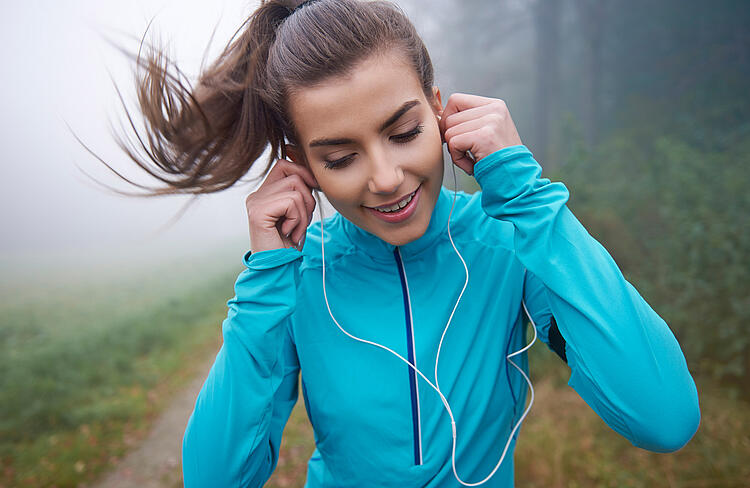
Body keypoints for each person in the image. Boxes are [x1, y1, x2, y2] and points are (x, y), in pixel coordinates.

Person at [113, 0, 701, 486]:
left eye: (404, 132)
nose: (386, 177)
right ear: (302, 165)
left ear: (439, 109)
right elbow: (214, 479)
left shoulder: (508, 242)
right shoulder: (295, 278)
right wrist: (266, 282)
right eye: (340, 157)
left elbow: (664, 418)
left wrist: (527, 197)